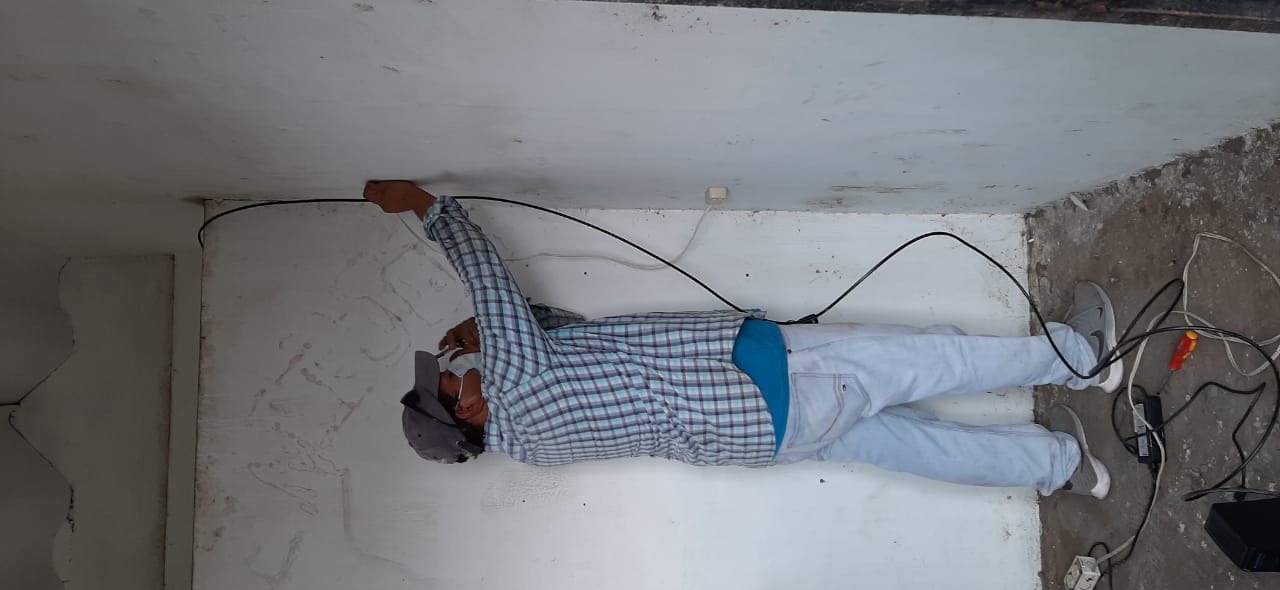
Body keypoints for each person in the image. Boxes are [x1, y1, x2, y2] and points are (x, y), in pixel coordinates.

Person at [368, 180, 1121, 499]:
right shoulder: (514, 382)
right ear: (467, 413)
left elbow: (590, 348)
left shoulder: (531, 441)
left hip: (762, 435)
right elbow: (488, 279)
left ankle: (1066, 467)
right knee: (936, 358)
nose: (464, 368)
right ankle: (1082, 360)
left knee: (923, 450)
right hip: (769, 375)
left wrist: (500, 327)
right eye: (454, 382)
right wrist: (426, 207)